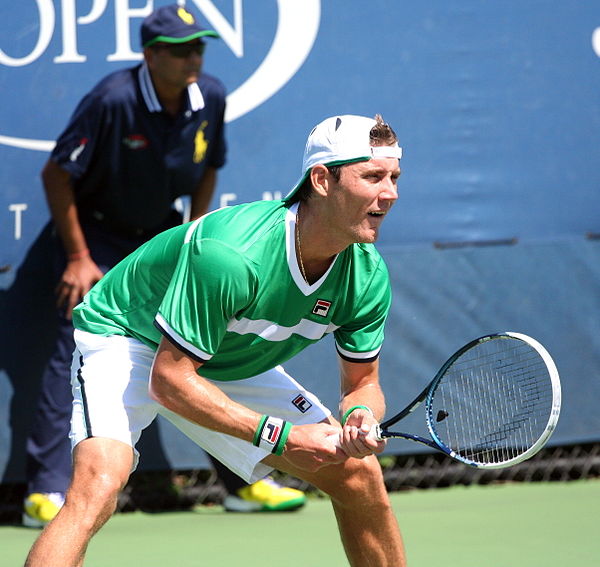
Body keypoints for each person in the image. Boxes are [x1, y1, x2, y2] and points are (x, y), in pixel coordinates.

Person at [24, 113, 406, 567]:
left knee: (358, 475)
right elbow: (168, 381)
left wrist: (361, 416)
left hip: (222, 354)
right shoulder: (232, 254)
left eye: (395, 177)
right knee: (98, 487)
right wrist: (281, 436)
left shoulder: (366, 276)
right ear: (322, 179)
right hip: (129, 337)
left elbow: (363, 383)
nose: (391, 194)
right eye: (373, 177)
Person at [23, 3, 304, 529]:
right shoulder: (112, 99)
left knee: (204, 347)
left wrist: (199, 238)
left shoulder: (210, 95)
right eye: (179, 50)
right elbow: (57, 175)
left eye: (198, 46)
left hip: (165, 237)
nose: (192, 57)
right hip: (99, 236)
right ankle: (46, 488)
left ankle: (242, 484)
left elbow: (208, 168)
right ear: (150, 56)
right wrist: (80, 257)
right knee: (77, 349)